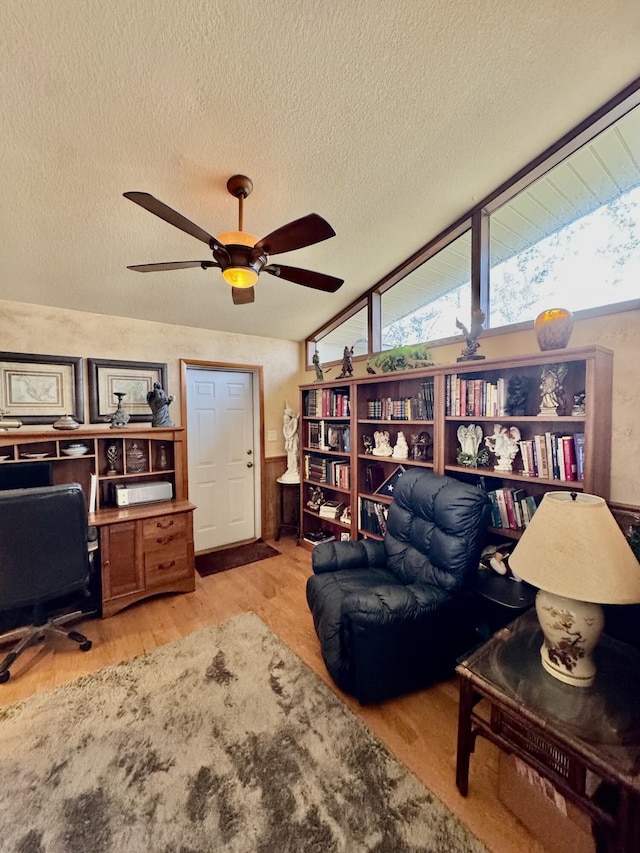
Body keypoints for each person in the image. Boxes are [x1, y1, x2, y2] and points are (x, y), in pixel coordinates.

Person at [281, 404, 300, 482]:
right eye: (284, 420)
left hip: (293, 439)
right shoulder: (286, 423)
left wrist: (290, 436)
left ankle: (295, 469)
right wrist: (287, 437)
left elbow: (295, 429)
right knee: (289, 455)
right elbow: (284, 430)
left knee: (294, 453)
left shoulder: (294, 420)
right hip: (288, 439)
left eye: (287, 420)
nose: (285, 422)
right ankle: (290, 469)